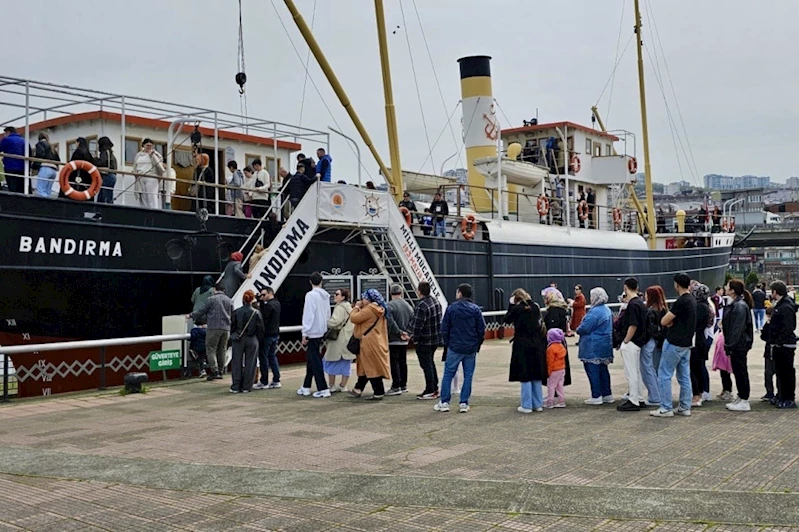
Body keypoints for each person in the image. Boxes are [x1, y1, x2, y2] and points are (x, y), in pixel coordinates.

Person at [435, 283, 486, 413]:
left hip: (454, 346)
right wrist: (477, 344)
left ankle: (444, 402)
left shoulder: (452, 308)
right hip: (470, 347)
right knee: (468, 375)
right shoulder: (475, 309)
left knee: (448, 374)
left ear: (460, 293)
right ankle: (464, 403)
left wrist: (448, 343)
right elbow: (481, 329)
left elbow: (445, 328)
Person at [651, 273, 696, 418]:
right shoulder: (692, 300)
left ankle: (665, 407)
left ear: (677, 284)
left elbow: (664, 321)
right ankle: (684, 406)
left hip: (674, 342)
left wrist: (670, 322)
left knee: (664, 374)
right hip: (686, 343)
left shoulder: (681, 301)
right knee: (684, 376)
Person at [503, 289, 547, 413]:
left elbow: (507, 320)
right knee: (536, 374)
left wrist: (511, 305)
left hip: (522, 343)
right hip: (537, 343)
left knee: (525, 374)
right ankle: (538, 404)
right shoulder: (535, 307)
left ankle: (526, 405)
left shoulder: (517, 309)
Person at [348, 289, 391, 400]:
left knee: (371, 367)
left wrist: (356, 307)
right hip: (374, 341)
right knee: (366, 366)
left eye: (363, 298)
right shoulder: (379, 309)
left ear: (368, 299)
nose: (362, 300)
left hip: (368, 343)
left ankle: (378, 392)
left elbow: (354, 318)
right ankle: (358, 388)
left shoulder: (369, 310)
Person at [403, 281, 443, 400]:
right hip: (435, 339)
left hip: (424, 341)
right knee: (430, 363)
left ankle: (430, 389)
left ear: (419, 291)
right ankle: (435, 388)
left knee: (426, 365)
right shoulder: (436, 302)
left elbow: (417, 325)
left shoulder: (421, 305)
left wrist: (410, 336)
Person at [577, 288, 614, 405]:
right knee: (603, 371)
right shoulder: (607, 310)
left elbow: (584, 328)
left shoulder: (595, 312)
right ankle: (607, 394)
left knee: (592, 371)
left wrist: (578, 329)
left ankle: (596, 395)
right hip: (605, 344)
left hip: (592, 346)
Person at [722, 279, 754, 412]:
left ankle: (744, 399)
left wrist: (729, 345)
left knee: (740, 371)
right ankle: (741, 396)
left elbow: (737, 329)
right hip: (737, 345)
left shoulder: (739, 306)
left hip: (738, 345)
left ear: (732, 290)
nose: (725, 288)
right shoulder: (736, 304)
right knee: (738, 371)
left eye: (727, 286)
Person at [189, 283, 233, 381]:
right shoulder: (229, 301)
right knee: (222, 349)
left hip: (214, 328)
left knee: (211, 349)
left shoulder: (211, 300)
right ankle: (221, 371)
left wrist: (191, 315)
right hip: (226, 328)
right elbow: (232, 314)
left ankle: (214, 371)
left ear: (214, 289)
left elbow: (201, 311)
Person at [298, 272, 332, 398]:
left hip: (312, 331)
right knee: (312, 359)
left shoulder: (311, 295)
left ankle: (323, 388)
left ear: (310, 282)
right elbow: (328, 313)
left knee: (315, 359)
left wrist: (304, 332)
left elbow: (308, 314)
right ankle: (306, 386)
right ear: (321, 281)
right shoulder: (325, 296)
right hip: (321, 330)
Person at [617, 278, 648, 412]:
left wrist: (625, 341)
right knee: (636, 371)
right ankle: (639, 398)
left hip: (632, 341)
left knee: (631, 372)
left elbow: (633, 324)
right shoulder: (640, 303)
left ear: (625, 287)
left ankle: (634, 399)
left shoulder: (632, 304)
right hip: (639, 341)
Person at [767, 281, 797, 408]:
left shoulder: (785, 307)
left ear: (775, 292)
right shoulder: (783, 305)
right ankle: (782, 395)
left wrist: (778, 339)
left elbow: (788, 327)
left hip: (784, 344)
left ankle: (788, 397)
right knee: (781, 372)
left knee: (786, 372)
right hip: (782, 344)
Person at [229, 290, 264, 394]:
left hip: (238, 339)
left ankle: (236, 386)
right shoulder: (256, 313)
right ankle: (246, 386)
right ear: (252, 299)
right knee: (250, 363)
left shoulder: (236, 312)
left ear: (243, 299)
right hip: (252, 339)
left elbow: (232, 327)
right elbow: (261, 329)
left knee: (236, 362)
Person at [324, 287, 355, 393]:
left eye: (337, 294)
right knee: (346, 364)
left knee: (331, 362)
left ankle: (331, 385)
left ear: (342, 297)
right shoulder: (350, 308)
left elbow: (335, 322)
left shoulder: (339, 308)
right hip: (347, 339)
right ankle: (343, 385)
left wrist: (325, 322)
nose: (334, 296)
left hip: (338, 340)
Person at [641, 286, 667, 406]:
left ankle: (654, 396)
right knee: (657, 369)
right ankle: (659, 394)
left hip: (651, 342)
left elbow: (650, 329)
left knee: (648, 369)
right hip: (661, 343)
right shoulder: (664, 309)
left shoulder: (651, 311)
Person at [386, 284, 414, 396]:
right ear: (401, 293)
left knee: (394, 362)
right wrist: (407, 333)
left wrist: (399, 332)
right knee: (403, 362)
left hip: (393, 338)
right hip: (405, 339)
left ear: (390, 293)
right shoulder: (408, 306)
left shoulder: (389, 306)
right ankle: (403, 385)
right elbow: (412, 321)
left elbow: (390, 322)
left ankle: (396, 386)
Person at [689, 283, 714, 407]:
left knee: (694, 368)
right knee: (698, 367)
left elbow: (694, 324)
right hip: (701, 339)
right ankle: (702, 392)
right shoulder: (706, 305)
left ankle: (697, 394)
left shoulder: (699, 307)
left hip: (697, 341)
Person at [253, 287, 282, 390]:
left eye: (264, 295)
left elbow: (263, 318)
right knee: (272, 356)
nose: (262, 297)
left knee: (263, 357)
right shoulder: (277, 304)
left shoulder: (269, 306)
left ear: (270, 293)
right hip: (275, 334)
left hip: (267, 335)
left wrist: (259, 303)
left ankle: (264, 381)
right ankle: (276, 379)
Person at [132, 139, 165, 209]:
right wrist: (134, 172)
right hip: (140, 177)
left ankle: (154, 213)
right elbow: (135, 166)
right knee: (143, 197)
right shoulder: (138, 155)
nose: (149, 147)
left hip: (151, 177)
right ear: (143, 145)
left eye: (151, 145)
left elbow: (159, 165)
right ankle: (144, 213)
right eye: (147, 145)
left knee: (152, 197)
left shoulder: (156, 154)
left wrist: (152, 155)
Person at [546, 328, 568, 408]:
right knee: (560, 385)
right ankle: (561, 401)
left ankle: (550, 402)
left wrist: (548, 371)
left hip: (554, 370)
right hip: (562, 368)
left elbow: (550, 361)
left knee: (551, 386)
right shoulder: (561, 346)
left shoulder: (551, 348)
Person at [33, 132, 60, 198]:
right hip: (53, 170)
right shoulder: (52, 146)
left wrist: (34, 166)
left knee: (41, 191)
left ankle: (43, 206)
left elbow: (39, 156)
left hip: (45, 168)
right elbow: (58, 159)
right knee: (48, 191)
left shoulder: (40, 144)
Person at [0, 126, 27, 193]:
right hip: (22, 168)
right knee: (20, 187)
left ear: (8, 132)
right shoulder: (23, 140)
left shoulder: (6, 140)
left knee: (12, 187)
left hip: (10, 167)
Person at [760, 306, 778, 404]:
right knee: (768, 373)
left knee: (775, 372)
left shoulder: (777, 324)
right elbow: (763, 336)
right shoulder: (767, 325)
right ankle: (769, 392)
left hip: (775, 351)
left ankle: (778, 393)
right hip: (768, 351)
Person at [95, 137, 117, 204]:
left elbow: (103, 162)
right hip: (111, 176)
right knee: (104, 195)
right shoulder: (110, 153)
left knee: (105, 196)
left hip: (108, 176)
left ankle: (103, 212)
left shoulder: (105, 152)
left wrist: (94, 160)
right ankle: (102, 212)